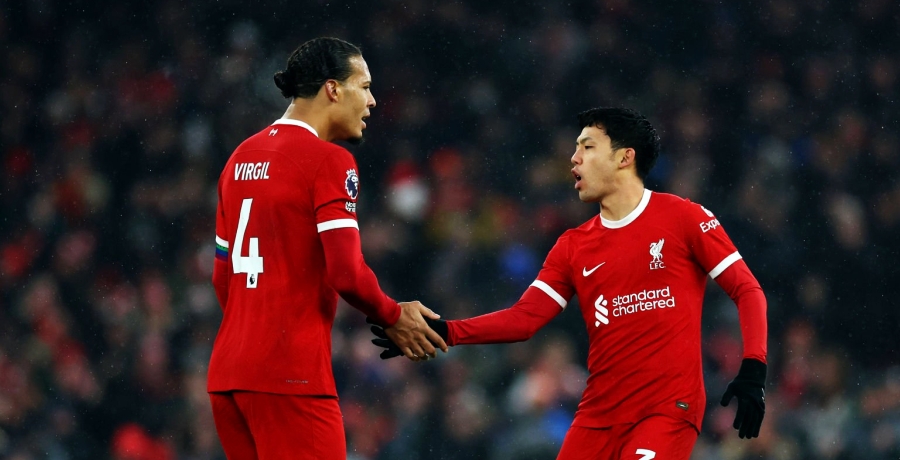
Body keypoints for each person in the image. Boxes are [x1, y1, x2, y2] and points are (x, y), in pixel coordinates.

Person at [372, 107, 767, 459]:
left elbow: (747, 290)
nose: (574, 158)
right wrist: (444, 331)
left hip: (665, 409)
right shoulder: (573, 246)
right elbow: (524, 319)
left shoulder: (684, 218)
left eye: (587, 147)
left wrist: (753, 369)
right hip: (597, 415)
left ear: (625, 157)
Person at [208, 37, 448, 460]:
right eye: (365, 86)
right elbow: (346, 273)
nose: (372, 101)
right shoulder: (328, 161)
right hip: (291, 377)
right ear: (333, 89)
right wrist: (393, 315)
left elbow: (221, 279)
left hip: (228, 378)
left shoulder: (239, 159)